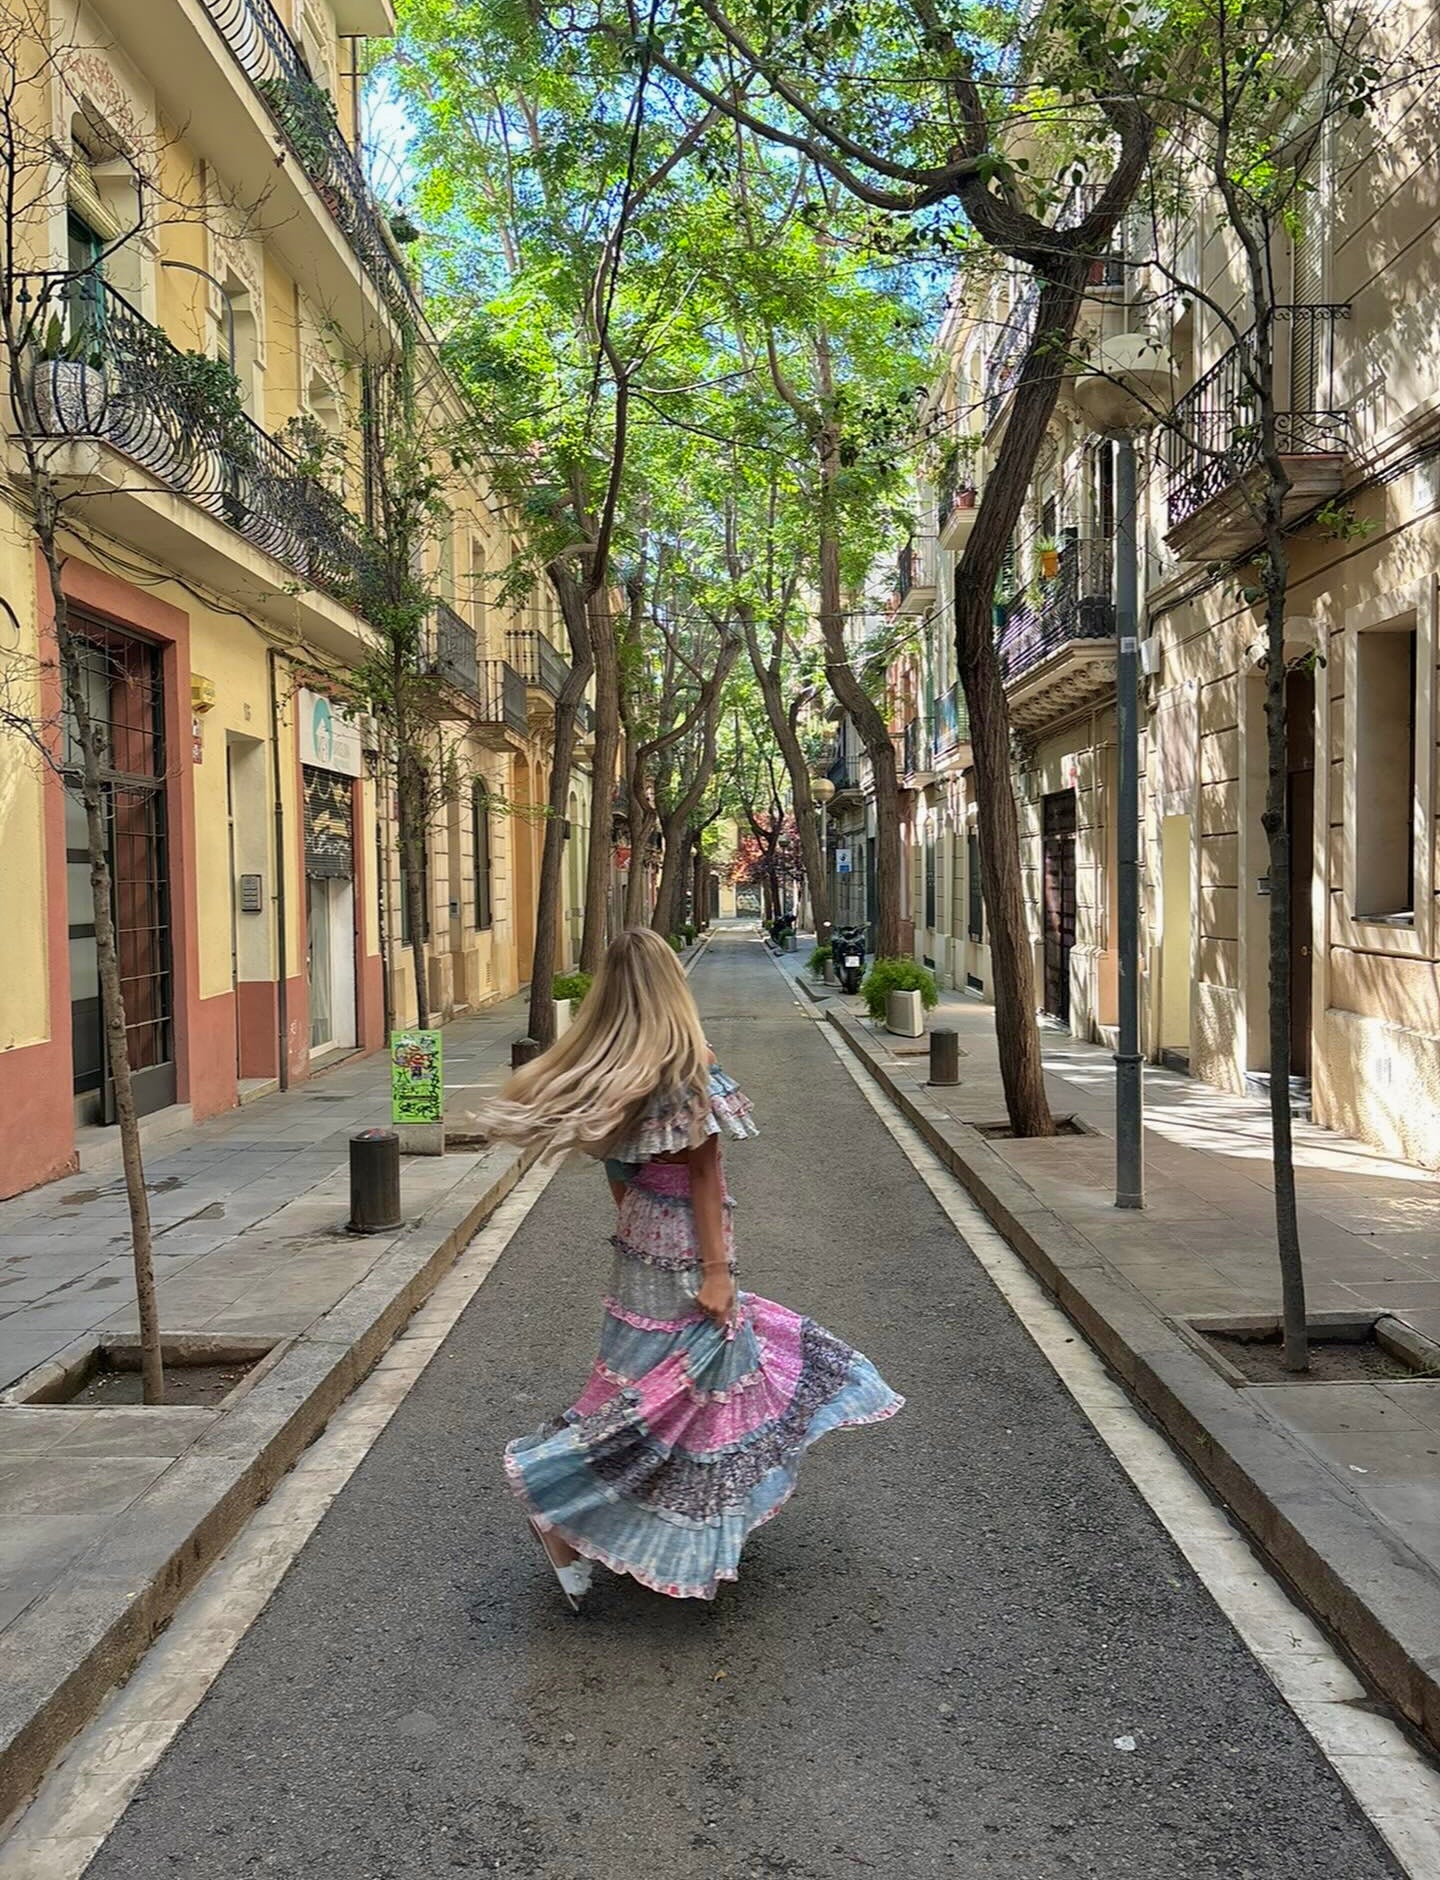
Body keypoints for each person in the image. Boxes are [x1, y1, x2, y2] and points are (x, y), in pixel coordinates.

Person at [478, 928, 901, 1608]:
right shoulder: (685, 1065)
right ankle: (563, 1506)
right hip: (683, 1244)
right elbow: (704, 1174)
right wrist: (716, 1271)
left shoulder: (610, 1074)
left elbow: (619, 1169)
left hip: (636, 1235)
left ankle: (646, 1524)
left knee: (649, 1383)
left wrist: (640, 1223)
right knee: (695, 1386)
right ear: (671, 985)